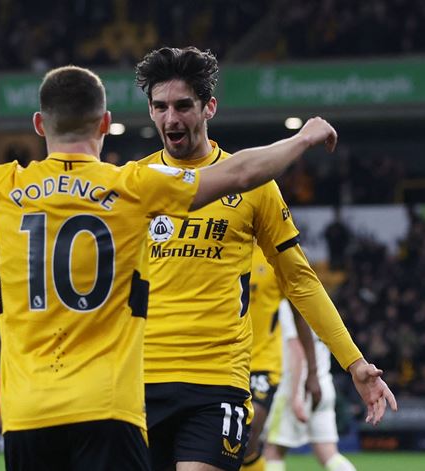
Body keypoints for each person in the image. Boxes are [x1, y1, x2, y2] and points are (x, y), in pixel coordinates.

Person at [0, 64, 342, 470]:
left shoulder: (7, 184)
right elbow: (238, 174)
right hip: (110, 406)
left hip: (28, 412)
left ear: (39, 125)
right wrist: (299, 139)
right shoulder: (133, 187)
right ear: (106, 124)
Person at [132, 46, 395, 471]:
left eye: (183, 106)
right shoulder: (137, 183)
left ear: (209, 107)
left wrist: (354, 361)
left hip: (217, 380)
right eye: (159, 107)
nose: (170, 119)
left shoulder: (254, 185)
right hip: (138, 381)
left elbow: (301, 281)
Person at [242, 246, 321, 471]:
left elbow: (300, 318)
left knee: (248, 434)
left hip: (262, 364)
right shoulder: (225, 249)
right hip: (224, 362)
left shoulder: (275, 259)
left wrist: (312, 373)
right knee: (223, 443)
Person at [264, 302, 357, 471]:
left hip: (296, 386)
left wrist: (296, 395)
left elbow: (297, 352)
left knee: (273, 452)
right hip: (324, 386)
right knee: (329, 455)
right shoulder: (319, 305)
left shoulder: (288, 304)